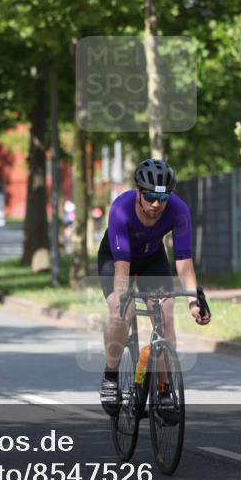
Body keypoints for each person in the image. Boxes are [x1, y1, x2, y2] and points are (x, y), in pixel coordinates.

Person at [97, 159, 211, 416]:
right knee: (120, 312)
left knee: (166, 312)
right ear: (139, 192)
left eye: (163, 198)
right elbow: (122, 268)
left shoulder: (178, 211)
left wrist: (194, 302)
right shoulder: (121, 209)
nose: (156, 205)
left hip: (152, 259)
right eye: (150, 197)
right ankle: (111, 377)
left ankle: (163, 389)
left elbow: (184, 263)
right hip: (116, 260)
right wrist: (123, 299)